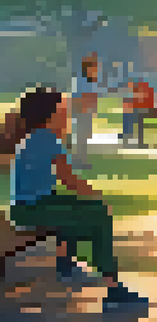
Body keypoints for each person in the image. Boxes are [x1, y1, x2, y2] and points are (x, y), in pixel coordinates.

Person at [8, 86, 148, 310]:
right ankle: (113, 289)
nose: (67, 116)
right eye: (63, 111)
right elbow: (70, 181)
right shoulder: (48, 140)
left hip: (28, 205)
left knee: (77, 207)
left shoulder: (37, 137)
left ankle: (66, 265)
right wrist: (98, 195)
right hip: (32, 209)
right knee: (98, 214)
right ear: (50, 115)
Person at [69, 53, 100, 168]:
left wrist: (93, 109)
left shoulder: (91, 80)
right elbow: (80, 97)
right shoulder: (81, 80)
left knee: (85, 136)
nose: (97, 69)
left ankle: (82, 159)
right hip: (82, 112)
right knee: (81, 137)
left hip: (87, 111)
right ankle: (78, 161)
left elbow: (93, 96)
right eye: (94, 66)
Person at [119, 79, 155, 147]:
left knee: (131, 115)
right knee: (128, 114)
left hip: (145, 110)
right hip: (139, 110)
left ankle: (129, 135)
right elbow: (135, 103)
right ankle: (127, 135)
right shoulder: (139, 92)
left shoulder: (145, 91)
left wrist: (130, 107)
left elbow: (144, 103)